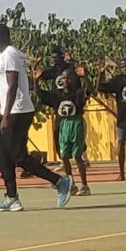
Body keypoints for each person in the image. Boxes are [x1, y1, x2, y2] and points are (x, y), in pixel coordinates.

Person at [0, 24, 73, 212]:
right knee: (2, 154)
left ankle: (59, 181)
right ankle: (11, 197)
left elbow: (12, 85)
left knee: (18, 156)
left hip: (16, 111)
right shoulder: (9, 54)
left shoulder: (9, 54)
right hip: (10, 110)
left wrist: (6, 116)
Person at [35, 66, 90, 195]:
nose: (65, 80)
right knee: (64, 156)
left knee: (77, 156)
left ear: (74, 79)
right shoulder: (57, 95)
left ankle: (84, 185)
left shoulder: (78, 93)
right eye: (63, 78)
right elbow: (40, 94)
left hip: (76, 123)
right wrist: (36, 80)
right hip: (63, 124)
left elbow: (90, 90)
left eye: (68, 78)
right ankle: (71, 184)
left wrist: (85, 77)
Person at [96, 57, 126, 181]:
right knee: (121, 141)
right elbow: (100, 87)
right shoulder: (118, 80)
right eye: (122, 66)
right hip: (123, 118)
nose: (125, 68)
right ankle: (121, 172)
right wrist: (101, 74)